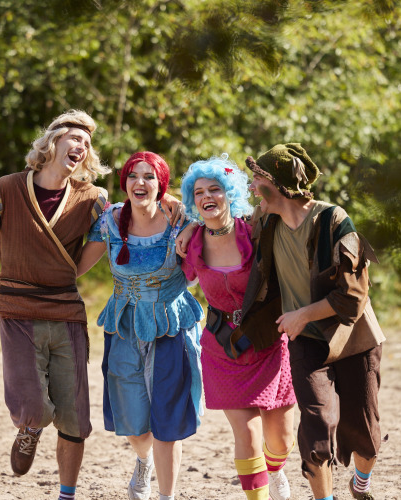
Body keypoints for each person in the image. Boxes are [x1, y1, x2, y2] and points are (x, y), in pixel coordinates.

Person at [0, 110, 111, 500]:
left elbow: (124, 224)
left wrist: (170, 201)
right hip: (18, 312)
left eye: (87, 143)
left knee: (75, 418)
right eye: (75, 138)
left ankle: (66, 494)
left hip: (67, 313)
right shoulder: (7, 189)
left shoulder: (92, 199)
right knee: (33, 406)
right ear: (53, 142)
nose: (82, 146)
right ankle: (30, 429)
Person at [242, 143, 386, 500]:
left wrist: (303, 313)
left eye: (257, 179)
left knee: (364, 434)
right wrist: (183, 222)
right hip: (305, 341)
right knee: (316, 428)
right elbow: (217, 221)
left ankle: (361, 483)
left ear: (279, 184)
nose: (251, 187)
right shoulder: (265, 220)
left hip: (354, 338)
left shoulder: (334, 220)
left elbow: (353, 297)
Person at [77, 151, 203, 500]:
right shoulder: (110, 220)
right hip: (125, 325)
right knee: (134, 424)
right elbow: (76, 268)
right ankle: (144, 461)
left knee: (167, 421)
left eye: (149, 176)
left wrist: (193, 222)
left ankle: (166, 496)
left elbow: (222, 220)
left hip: (170, 325)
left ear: (161, 184)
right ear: (125, 183)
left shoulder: (180, 218)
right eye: (133, 175)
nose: (140, 182)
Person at [177, 155, 297, 500]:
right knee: (247, 434)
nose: (207, 196)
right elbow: (154, 208)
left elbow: (287, 205)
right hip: (222, 348)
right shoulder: (191, 243)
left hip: (267, 342)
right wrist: (188, 226)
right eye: (199, 192)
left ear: (230, 192)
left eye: (215, 189)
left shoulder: (255, 231)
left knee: (281, 440)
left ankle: (276, 469)